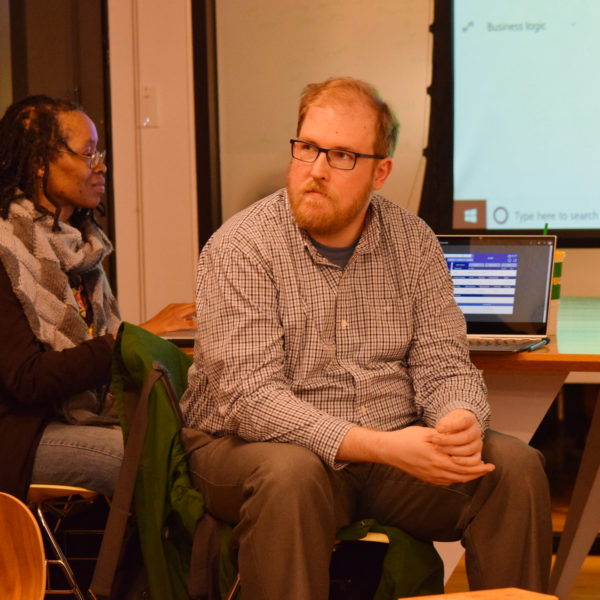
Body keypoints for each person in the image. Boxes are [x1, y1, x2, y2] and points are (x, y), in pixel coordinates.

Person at [180, 77, 552, 599]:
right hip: (248, 448)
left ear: (381, 172)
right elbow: (251, 400)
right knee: (292, 476)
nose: (315, 170)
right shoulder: (241, 246)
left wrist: (457, 420)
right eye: (307, 147)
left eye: (341, 156)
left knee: (513, 469)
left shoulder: (413, 242)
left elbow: (444, 363)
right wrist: (384, 447)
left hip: (384, 453)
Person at [0, 95, 195, 501]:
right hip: (19, 434)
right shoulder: (7, 251)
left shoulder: (78, 250)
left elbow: (88, 349)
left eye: (100, 152)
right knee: (144, 459)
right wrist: (132, 338)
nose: (101, 165)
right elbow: (27, 379)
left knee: (195, 442)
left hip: (65, 421)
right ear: (39, 162)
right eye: (88, 154)